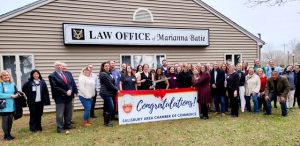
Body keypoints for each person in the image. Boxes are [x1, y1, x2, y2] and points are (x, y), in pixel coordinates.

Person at [48, 61, 75, 133]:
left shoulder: (66, 74)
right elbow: (55, 87)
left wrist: (70, 89)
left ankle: (68, 125)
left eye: (60, 65)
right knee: (60, 114)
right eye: (57, 65)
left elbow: (70, 83)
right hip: (59, 97)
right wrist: (66, 92)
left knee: (68, 112)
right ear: (54, 67)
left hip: (69, 96)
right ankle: (60, 128)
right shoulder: (52, 76)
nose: (59, 67)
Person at [0, 70, 19, 140]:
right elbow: (0, 94)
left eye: (7, 75)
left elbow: (16, 92)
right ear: (1, 77)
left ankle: (9, 134)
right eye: (4, 75)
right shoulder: (0, 84)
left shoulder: (12, 84)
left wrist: (17, 94)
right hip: (4, 106)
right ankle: (6, 135)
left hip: (12, 106)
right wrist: (11, 95)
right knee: (5, 121)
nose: (6, 76)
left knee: (10, 121)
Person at [99, 62, 118, 126]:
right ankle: (107, 122)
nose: (107, 67)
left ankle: (107, 122)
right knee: (111, 107)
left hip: (109, 92)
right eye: (105, 66)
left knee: (107, 107)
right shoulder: (103, 74)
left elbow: (112, 82)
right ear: (103, 67)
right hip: (105, 93)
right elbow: (109, 84)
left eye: (108, 66)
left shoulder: (109, 73)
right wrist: (116, 89)